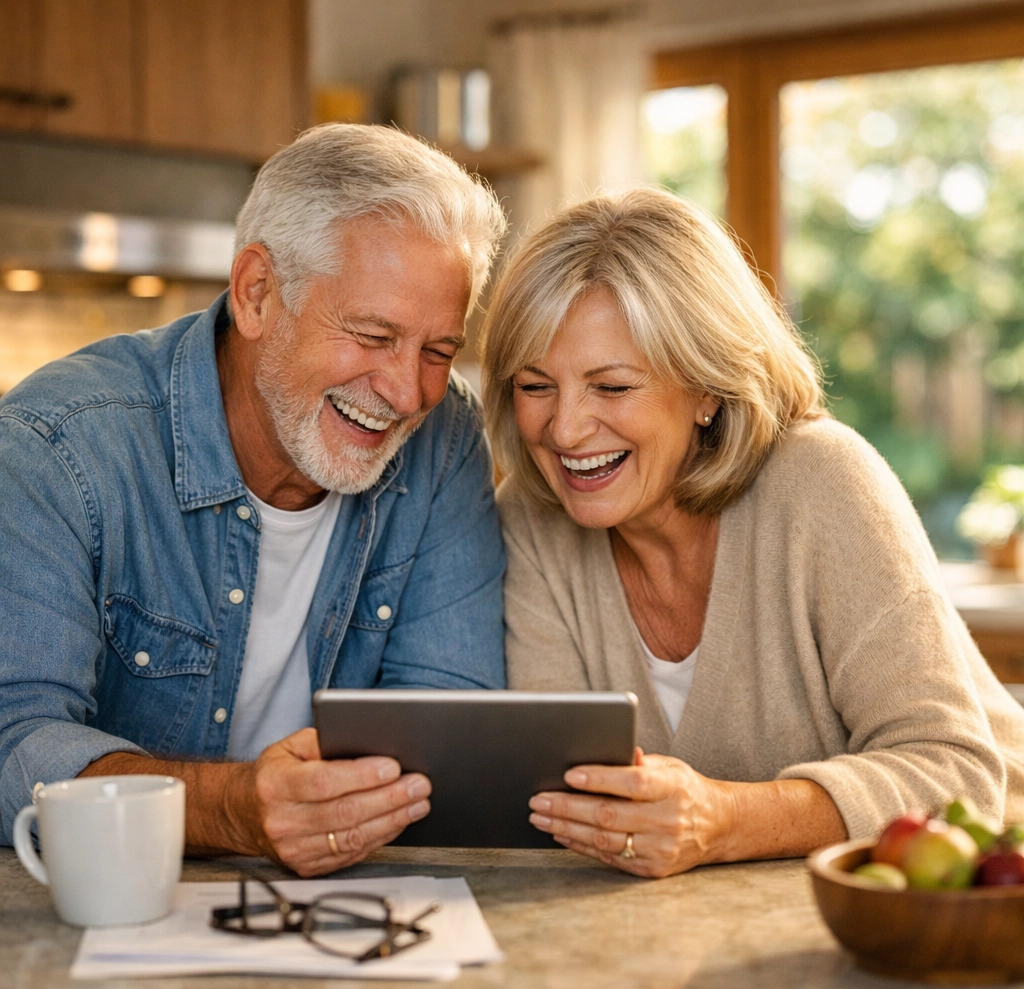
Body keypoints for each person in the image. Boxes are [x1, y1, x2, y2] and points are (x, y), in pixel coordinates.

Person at [0, 124, 508, 877]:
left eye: (439, 351)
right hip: (111, 915)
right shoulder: (59, 447)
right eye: (372, 335)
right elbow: (14, 741)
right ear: (257, 293)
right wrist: (232, 809)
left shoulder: (447, 439)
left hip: (358, 913)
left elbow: (449, 724)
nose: (408, 393)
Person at [482, 185, 1024, 879]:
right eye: (535, 386)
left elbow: (956, 775)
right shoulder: (532, 519)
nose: (564, 430)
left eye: (612, 387)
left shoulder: (823, 482)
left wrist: (724, 820)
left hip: (963, 899)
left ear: (706, 387)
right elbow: (562, 797)